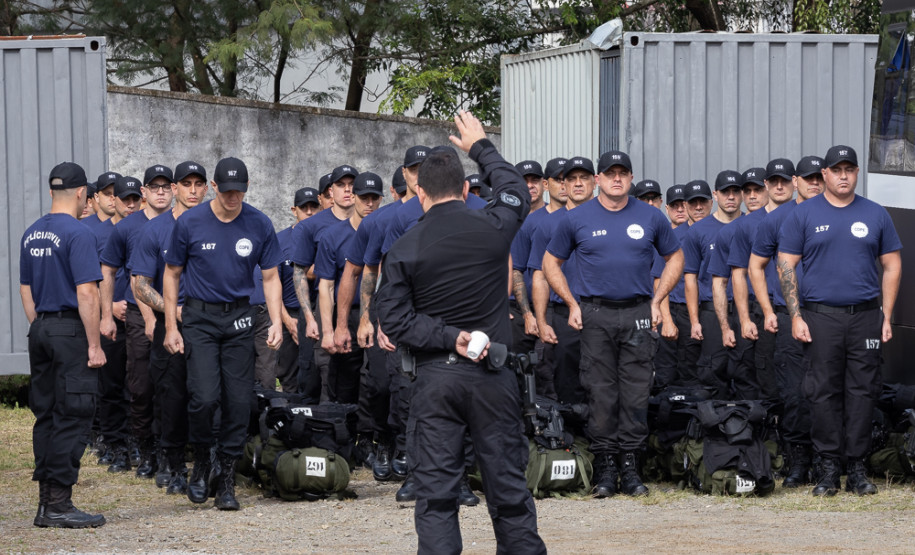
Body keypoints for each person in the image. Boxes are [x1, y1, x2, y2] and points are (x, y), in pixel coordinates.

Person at [375, 111, 546, 554]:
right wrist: (482, 147)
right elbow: (514, 192)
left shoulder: (404, 247)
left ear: (418, 190)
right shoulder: (493, 226)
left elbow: (392, 319)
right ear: (466, 189)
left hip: (436, 382)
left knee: (436, 499)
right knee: (508, 491)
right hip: (493, 378)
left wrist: (448, 337)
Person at [543, 150, 683, 498]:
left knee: (635, 391)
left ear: (631, 179)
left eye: (623, 173)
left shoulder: (651, 217)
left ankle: (631, 467)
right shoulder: (577, 218)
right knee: (600, 390)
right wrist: (573, 303)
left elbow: (676, 257)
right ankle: (606, 465)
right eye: (610, 173)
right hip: (595, 314)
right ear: (598, 180)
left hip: (637, 312)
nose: (616, 178)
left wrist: (658, 300)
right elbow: (550, 262)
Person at [777, 145, 901, 497]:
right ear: (825, 176)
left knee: (863, 392)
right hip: (820, 318)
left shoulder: (876, 214)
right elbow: (786, 264)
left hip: (865, 318)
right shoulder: (803, 215)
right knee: (822, 393)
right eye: (837, 170)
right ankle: (828, 468)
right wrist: (796, 316)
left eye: (850, 169)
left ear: (857, 173)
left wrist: (886, 316)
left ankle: (857, 468)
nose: (843, 175)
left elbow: (892, 265)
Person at [163, 157, 285, 510]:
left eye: (240, 191)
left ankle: (226, 477)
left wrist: (276, 321)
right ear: (214, 187)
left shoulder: (259, 223)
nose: (234, 197)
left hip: (240, 320)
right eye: (228, 190)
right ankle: (202, 460)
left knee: (237, 401)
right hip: (199, 318)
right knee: (203, 397)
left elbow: (271, 276)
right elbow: (171, 274)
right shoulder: (190, 222)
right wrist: (171, 325)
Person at [21, 161, 106, 528]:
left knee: (48, 415)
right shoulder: (79, 233)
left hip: (40, 326)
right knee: (74, 413)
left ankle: (46, 503)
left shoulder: (32, 233)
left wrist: (42, 326)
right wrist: (93, 344)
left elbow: (26, 289)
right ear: (81, 193)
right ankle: (58, 503)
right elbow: (87, 291)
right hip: (71, 330)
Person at [131, 161, 209, 494]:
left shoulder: (217, 225)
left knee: (207, 395)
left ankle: (208, 463)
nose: (193, 190)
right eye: (186, 184)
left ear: (207, 188)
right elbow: (140, 284)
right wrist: (171, 311)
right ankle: (173, 463)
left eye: (198, 184)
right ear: (174, 189)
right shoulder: (155, 229)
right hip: (172, 324)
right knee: (170, 394)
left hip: (210, 324)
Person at [749, 155, 824, 488]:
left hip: (828, 317)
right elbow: (754, 267)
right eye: (806, 179)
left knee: (827, 392)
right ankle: (797, 462)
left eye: (817, 178)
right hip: (788, 316)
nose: (813, 184)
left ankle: (827, 460)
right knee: (794, 393)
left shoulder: (839, 215)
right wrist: (767, 311)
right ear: (797, 182)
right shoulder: (778, 218)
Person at [100, 165, 175, 479]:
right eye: (153, 187)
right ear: (144, 192)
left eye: (165, 186)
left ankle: (167, 448)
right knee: (141, 385)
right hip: (138, 313)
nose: (160, 192)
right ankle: (143, 449)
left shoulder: (184, 224)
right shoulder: (127, 227)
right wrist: (106, 314)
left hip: (178, 314)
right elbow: (111, 271)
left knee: (174, 387)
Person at [707, 168, 767, 401]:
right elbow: (719, 284)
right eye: (747, 191)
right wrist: (725, 327)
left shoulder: (786, 224)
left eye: (757, 190)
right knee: (742, 374)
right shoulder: (729, 232)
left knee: (774, 373)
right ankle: (747, 430)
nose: (752, 196)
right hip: (742, 312)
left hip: (776, 311)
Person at [683, 172, 743, 399]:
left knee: (747, 369)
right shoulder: (698, 231)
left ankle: (747, 426)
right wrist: (695, 320)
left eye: (735, 192)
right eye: (725, 192)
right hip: (711, 311)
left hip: (746, 310)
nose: (731, 197)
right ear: (715, 195)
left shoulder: (752, 225)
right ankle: (715, 428)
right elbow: (691, 278)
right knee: (713, 370)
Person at [272, 187, 322, 393]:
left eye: (314, 207)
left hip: (317, 313)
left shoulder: (325, 237)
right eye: (304, 208)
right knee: (288, 377)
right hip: (288, 314)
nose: (309, 212)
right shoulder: (280, 240)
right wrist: (287, 321)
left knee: (317, 374)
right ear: (294, 210)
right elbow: (271, 283)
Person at [651, 183, 688, 390]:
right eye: (676, 206)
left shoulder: (697, 234)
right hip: (669, 309)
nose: (681, 209)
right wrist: (665, 318)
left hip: (696, 312)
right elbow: (657, 281)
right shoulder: (662, 238)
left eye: (684, 204)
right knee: (665, 372)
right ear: (667, 208)